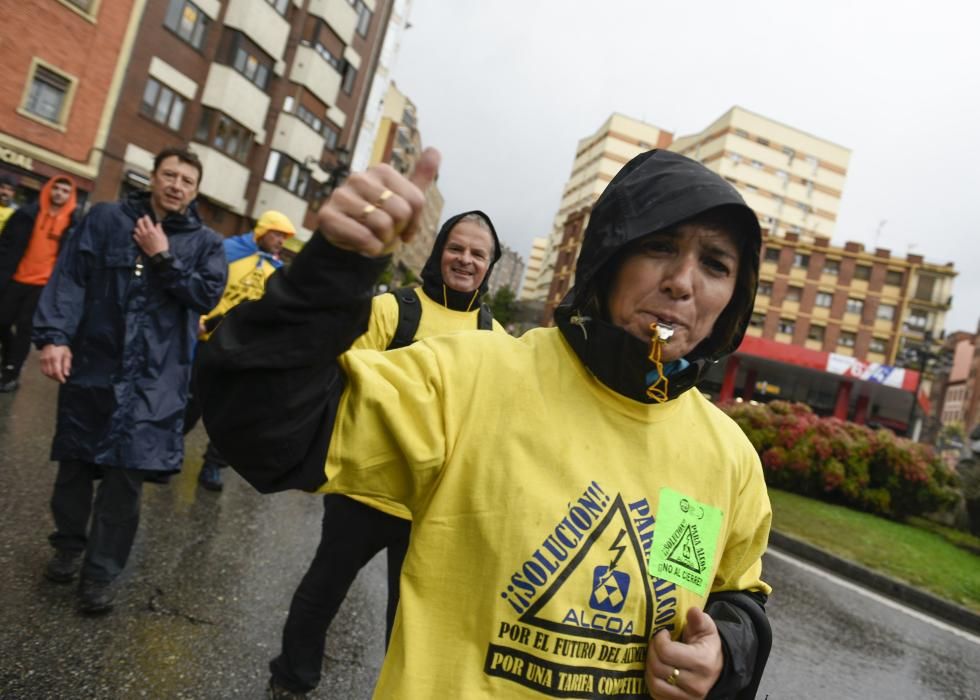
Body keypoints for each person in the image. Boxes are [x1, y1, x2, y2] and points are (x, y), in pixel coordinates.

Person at [199, 148, 772, 699]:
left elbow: (735, 592)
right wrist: (331, 272)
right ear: (609, 257)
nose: (683, 281)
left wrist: (724, 655)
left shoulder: (727, 456)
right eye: (658, 246)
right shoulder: (475, 377)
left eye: (715, 264)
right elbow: (266, 430)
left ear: (733, 299)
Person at [267, 209, 506, 698]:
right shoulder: (393, 310)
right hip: (363, 492)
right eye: (456, 248)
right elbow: (343, 382)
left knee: (409, 619)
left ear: (490, 265)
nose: (465, 260)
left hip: (432, 510)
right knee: (322, 591)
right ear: (439, 251)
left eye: (478, 254)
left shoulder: (499, 341)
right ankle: (291, 679)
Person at [32, 146, 227, 614]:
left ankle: (99, 574)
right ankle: (68, 546)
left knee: (125, 480)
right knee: (76, 463)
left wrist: (163, 258)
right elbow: (71, 278)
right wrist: (55, 337)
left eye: (187, 180)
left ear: (196, 191)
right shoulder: (105, 220)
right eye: (170, 174)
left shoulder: (205, 243)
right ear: (153, 177)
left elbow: (205, 294)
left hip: (156, 379)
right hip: (95, 364)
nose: (177, 185)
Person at [187, 209, 297, 492]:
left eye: (284, 237)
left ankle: (213, 465)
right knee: (190, 400)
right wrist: (199, 320)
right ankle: (169, 449)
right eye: (276, 234)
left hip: (246, 351)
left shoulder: (278, 273)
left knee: (234, 413)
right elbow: (206, 287)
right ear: (261, 233)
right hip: (207, 340)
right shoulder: (228, 254)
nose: (280, 241)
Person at [0, 175, 78, 392]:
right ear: (48, 190)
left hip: (43, 285)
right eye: (56, 189)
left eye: (65, 191)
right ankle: (7, 358)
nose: (59, 194)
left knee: (26, 328)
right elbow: (5, 243)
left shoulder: (72, 225)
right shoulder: (26, 215)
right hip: (16, 277)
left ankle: (11, 372)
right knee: (3, 322)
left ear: (70, 197)